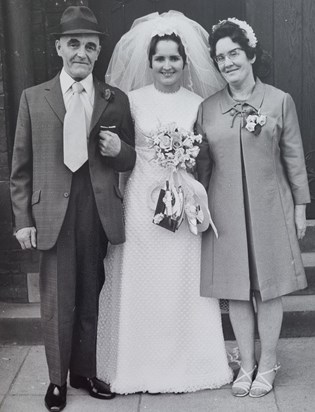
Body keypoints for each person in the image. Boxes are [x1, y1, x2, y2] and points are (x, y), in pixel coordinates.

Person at [96, 11, 233, 395]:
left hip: (182, 201)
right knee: (142, 278)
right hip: (141, 198)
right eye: (160, 58)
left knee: (181, 279)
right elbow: (121, 152)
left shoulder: (197, 103)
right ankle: (136, 365)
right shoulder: (132, 101)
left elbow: (205, 155)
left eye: (174, 58)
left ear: (184, 62)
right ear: (150, 62)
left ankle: (191, 363)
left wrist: (187, 163)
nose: (167, 65)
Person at [10, 6, 136, 411]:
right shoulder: (34, 98)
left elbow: (130, 158)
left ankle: (83, 372)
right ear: (59, 47)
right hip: (52, 214)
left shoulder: (114, 99)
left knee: (89, 294)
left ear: (99, 53)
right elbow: (21, 168)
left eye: (91, 46)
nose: (82, 52)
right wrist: (22, 221)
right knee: (57, 300)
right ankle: (56, 380)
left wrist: (120, 151)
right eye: (74, 44)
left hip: (95, 210)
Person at [196, 18, 310, 398]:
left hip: (269, 207)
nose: (227, 62)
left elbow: (293, 158)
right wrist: (199, 206)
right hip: (225, 212)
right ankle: (245, 363)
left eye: (234, 54)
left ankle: (269, 362)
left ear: (251, 55)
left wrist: (300, 208)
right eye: (220, 57)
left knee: (269, 288)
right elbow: (203, 165)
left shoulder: (279, 100)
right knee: (238, 290)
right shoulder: (208, 108)